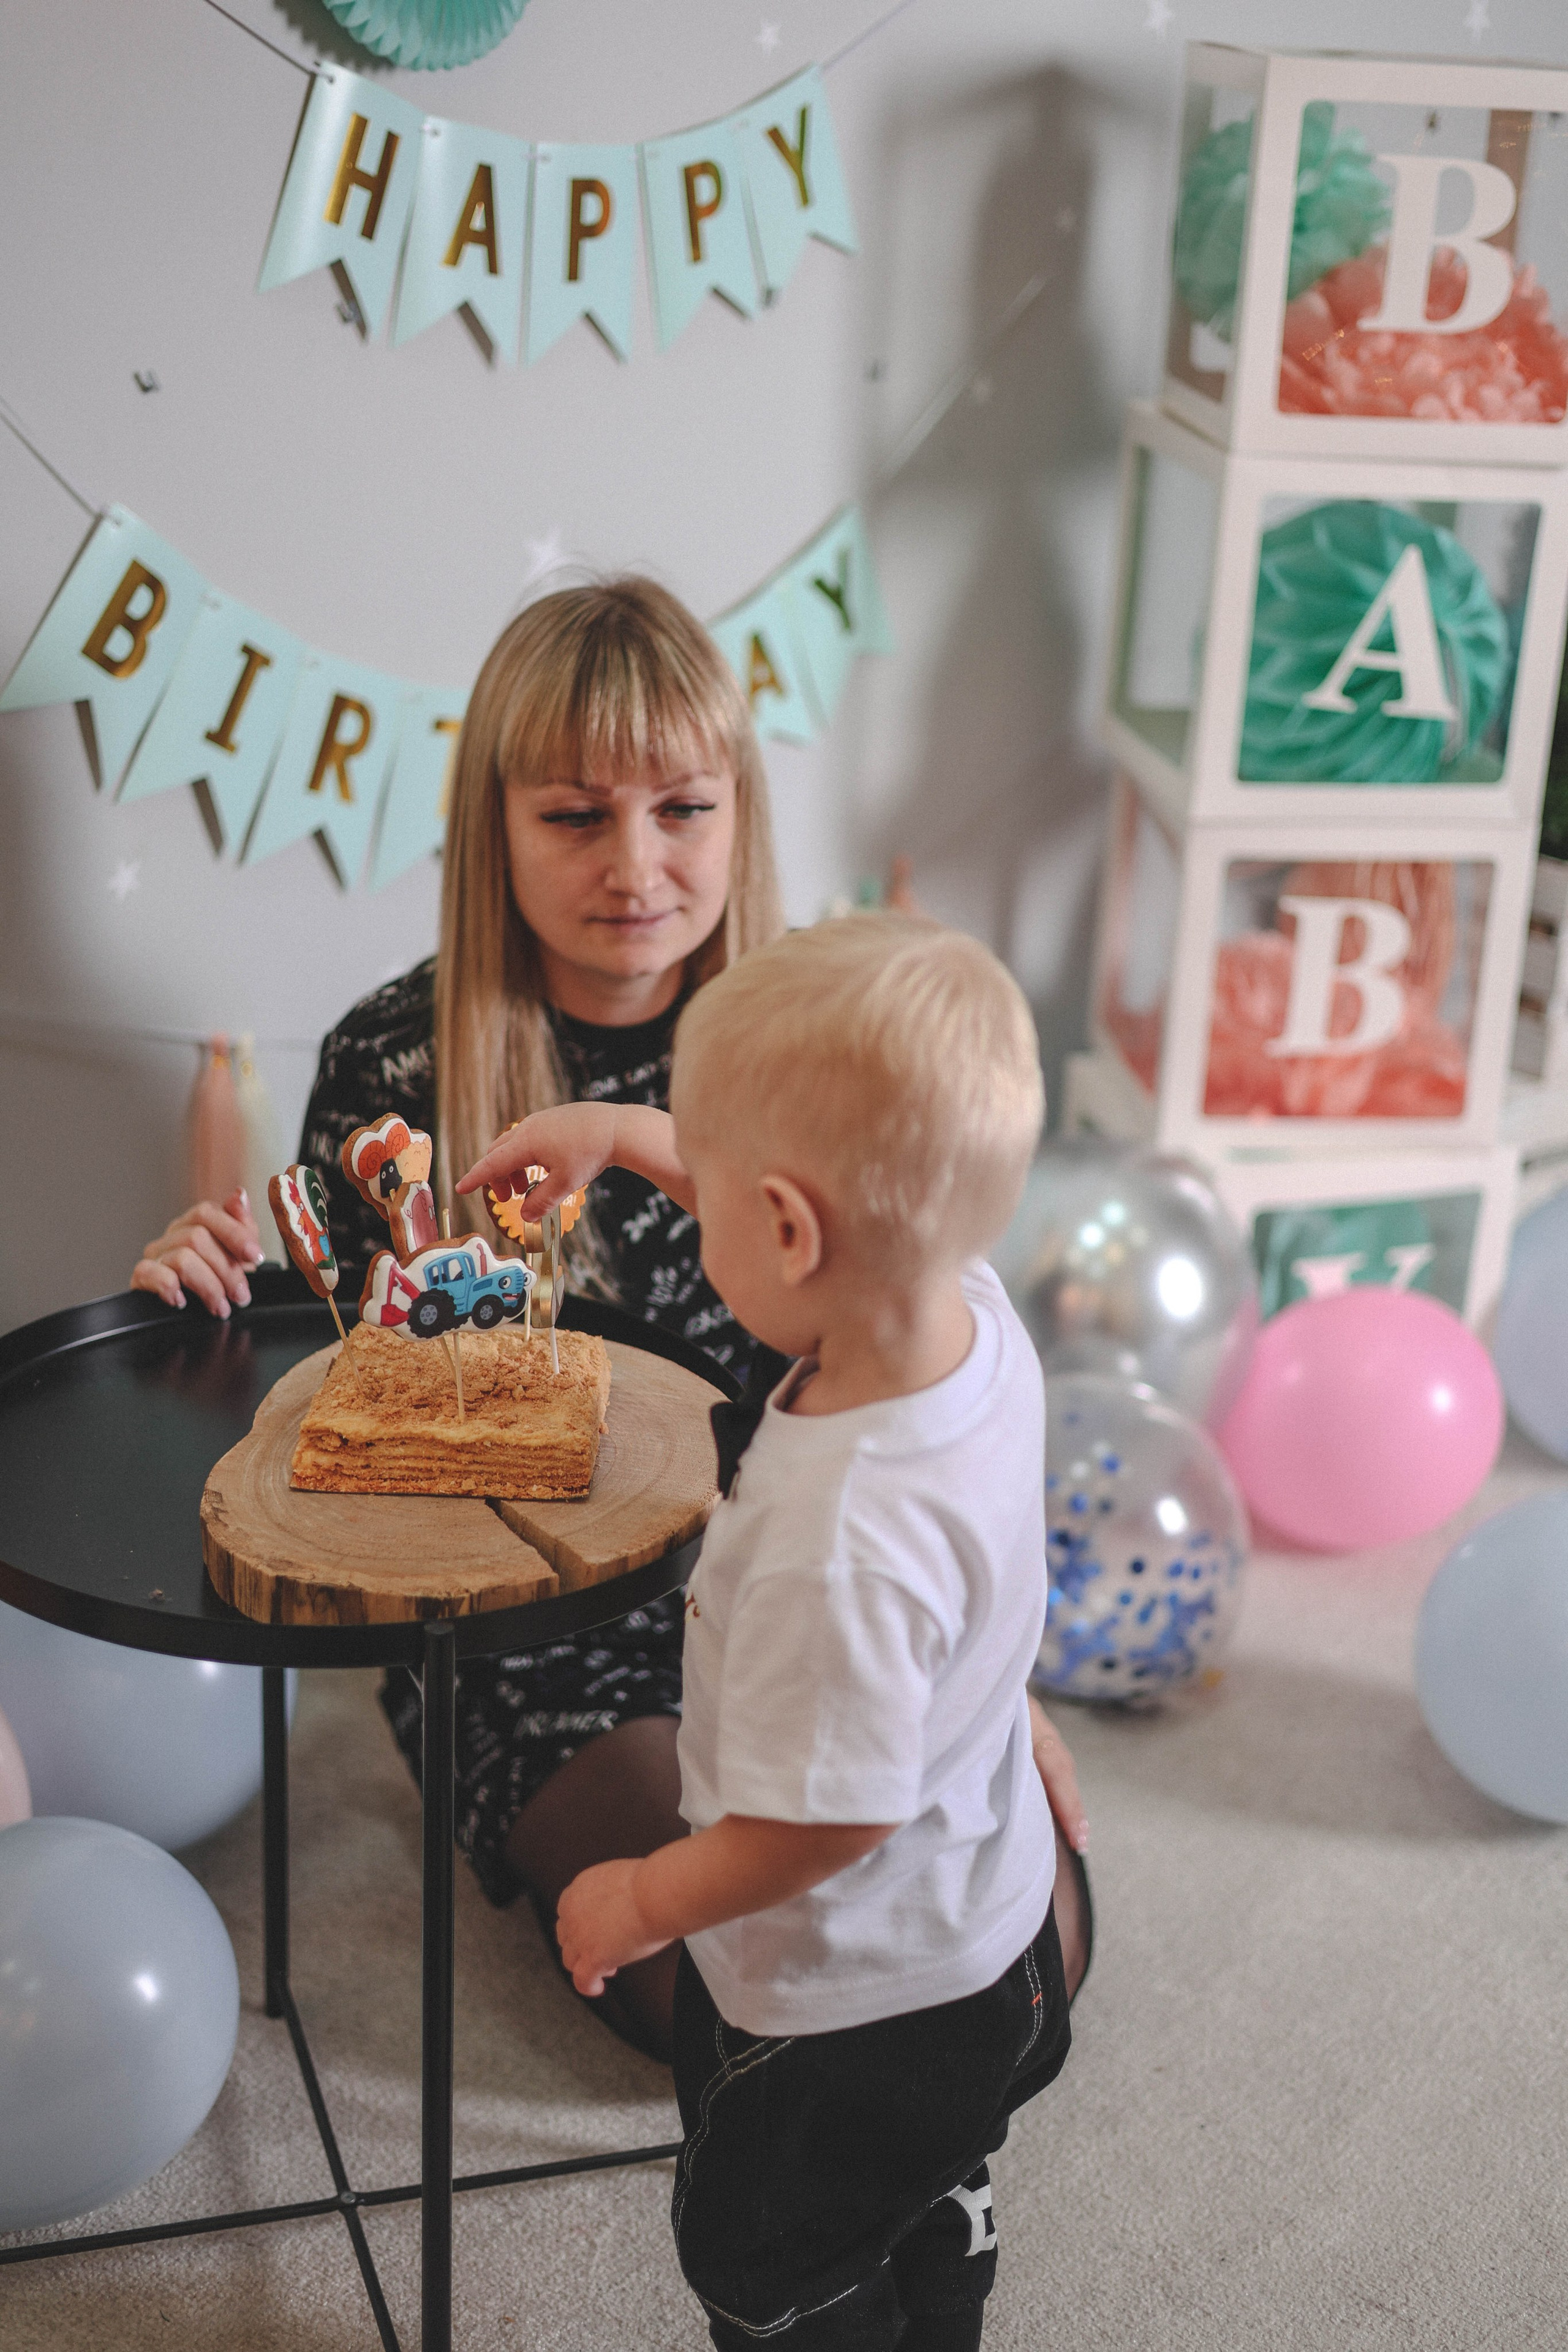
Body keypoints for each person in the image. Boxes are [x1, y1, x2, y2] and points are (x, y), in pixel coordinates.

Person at [132, 579, 1090, 2068]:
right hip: (527, 1622)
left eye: (682, 809)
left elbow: (933, 1377)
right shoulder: (398, 1056)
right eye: (576, 816)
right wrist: (209, 1297)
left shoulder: (825, 1050)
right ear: (495, 826)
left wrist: (974, 1676)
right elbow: (329, 1359)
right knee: (743, 2002)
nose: (636, 866)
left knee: (1029, 1962)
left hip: (806, 1582)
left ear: (738, 815)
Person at [461, 913, 1071, 2351]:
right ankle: (939, 2220)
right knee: (921, 2151)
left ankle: (854, 2280)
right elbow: (783, 1183)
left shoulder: (836, 1534)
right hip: (985, 1921)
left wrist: (644, 1899)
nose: (689, 1195)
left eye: (707, 1186)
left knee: (777, 2258)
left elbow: (821, 1828)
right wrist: (619, 1128)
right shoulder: (965, 1309)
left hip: (841, 1991)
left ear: (789, 1228)